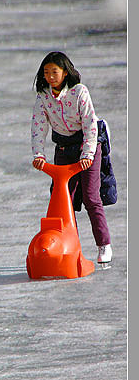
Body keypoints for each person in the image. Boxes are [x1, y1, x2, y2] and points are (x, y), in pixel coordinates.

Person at [31, 51, 112, 266]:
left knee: (90, 197)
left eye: (54, 72)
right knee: (64, 200)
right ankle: (70, 244)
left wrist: (88, 155)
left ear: (65, 72)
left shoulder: (79, 92)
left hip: (89, 147)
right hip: (64, 149)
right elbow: (38, 126)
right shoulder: (43, 96)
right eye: (46, 72)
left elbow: (90, 125)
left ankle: (104, 244)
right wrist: (38, 154)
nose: (50, 76)